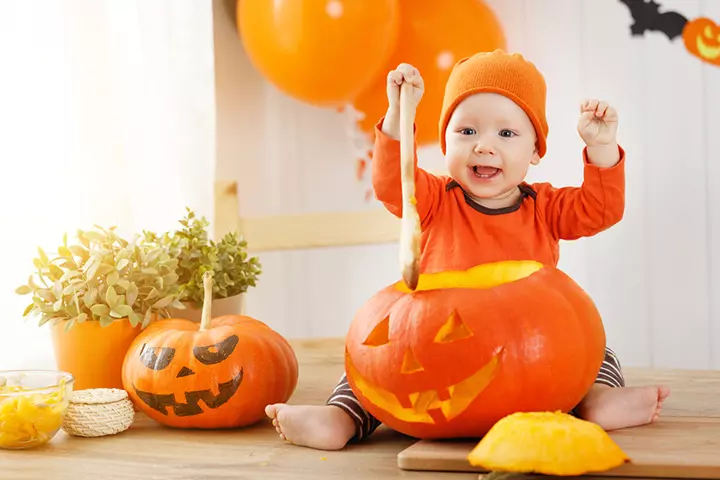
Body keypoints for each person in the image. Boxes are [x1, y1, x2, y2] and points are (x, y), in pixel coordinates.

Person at [265, 49, 671, 450]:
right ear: (445, 143)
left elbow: (600, 209)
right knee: (375, 366)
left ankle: (598, 400)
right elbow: (392, 183)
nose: (483, 146)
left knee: (593, 351)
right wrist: (396, 115)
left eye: (506, 133)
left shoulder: (544, 207)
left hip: (532, 346)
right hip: (440, 343)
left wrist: (601, 147)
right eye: (467, 131)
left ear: (535, 150)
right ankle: (341, 419)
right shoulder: (435, 199)